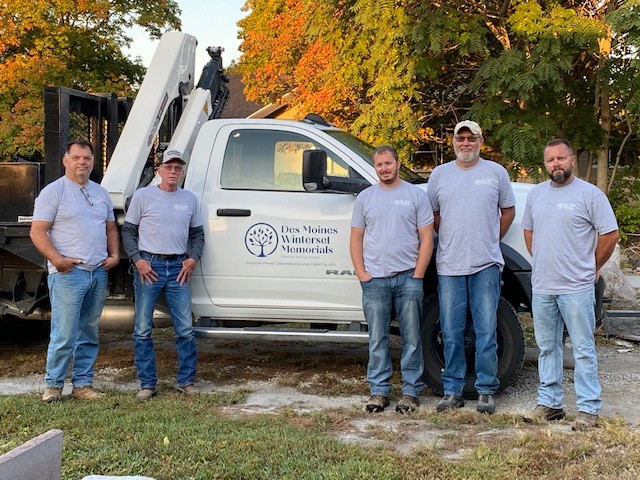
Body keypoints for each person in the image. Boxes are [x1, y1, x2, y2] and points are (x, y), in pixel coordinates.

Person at [522, 138, 619, 431]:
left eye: (561, 158)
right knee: (547, 347)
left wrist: (593, 266)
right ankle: (550, 404)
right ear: (545, 164)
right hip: (542, 286)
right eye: (550, 160)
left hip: (577, 286)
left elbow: (610, 234)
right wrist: (541, 259)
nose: (556, 164)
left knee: (582, 347)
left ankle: (588, 409)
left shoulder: (590, 195)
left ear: (573, 159)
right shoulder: (536, 194)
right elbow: (529, 231)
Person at [427, 120, 515, 414]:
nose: (465, 143)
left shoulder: (495, 173)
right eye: (460, 138)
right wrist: (451, 236)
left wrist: (491, 238)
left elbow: (508, 211)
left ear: (481, 141)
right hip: (450, 265)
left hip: (486, 264)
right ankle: (452, 390)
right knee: (451, 331)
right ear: (452, 141)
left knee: (486, 330)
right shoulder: (439, 175)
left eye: (471, 138)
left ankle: (487, 390)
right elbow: (434, 214)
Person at [30, 139, 120, 402]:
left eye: (88, 158)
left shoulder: (100, 192)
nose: (83, 162)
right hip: (69, 274)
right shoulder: (54, 192)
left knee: (89, 331)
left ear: (93, 162)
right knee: (64, 333)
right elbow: (37, 231)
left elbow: (110, 228)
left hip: (97, 272)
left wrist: (114, 255)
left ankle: (82, 384)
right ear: (65, 160)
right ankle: (53, 386)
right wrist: (57, 260)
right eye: (77, 157)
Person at [350, 145, 434, 414]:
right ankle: (379, 390)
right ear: (375, 168)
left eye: (388, 163)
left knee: (412, 337)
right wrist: (362, 274)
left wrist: (418, 274)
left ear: (398, 163)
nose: (384, 169)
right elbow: (355, 238)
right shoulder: (365, 198)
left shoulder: (415, 196)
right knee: (377, 338)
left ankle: (411, 391)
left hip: (408, 277)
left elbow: (427, 238)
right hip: (375, 280)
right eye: (379, 165)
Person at [122, 149, 205, 401]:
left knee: (186, 329)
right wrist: (138, 260)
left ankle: (186, 382)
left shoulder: (189, 199)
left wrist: (192, 259)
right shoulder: (143, 196)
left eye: (178, 168)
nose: (173, 172)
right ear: (159, 170)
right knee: (143, 329)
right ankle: (147, 384)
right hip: (150, 267)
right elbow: (128, 231)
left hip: (178, 268)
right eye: (168, 167)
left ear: (182, 172)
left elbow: (198, 234)